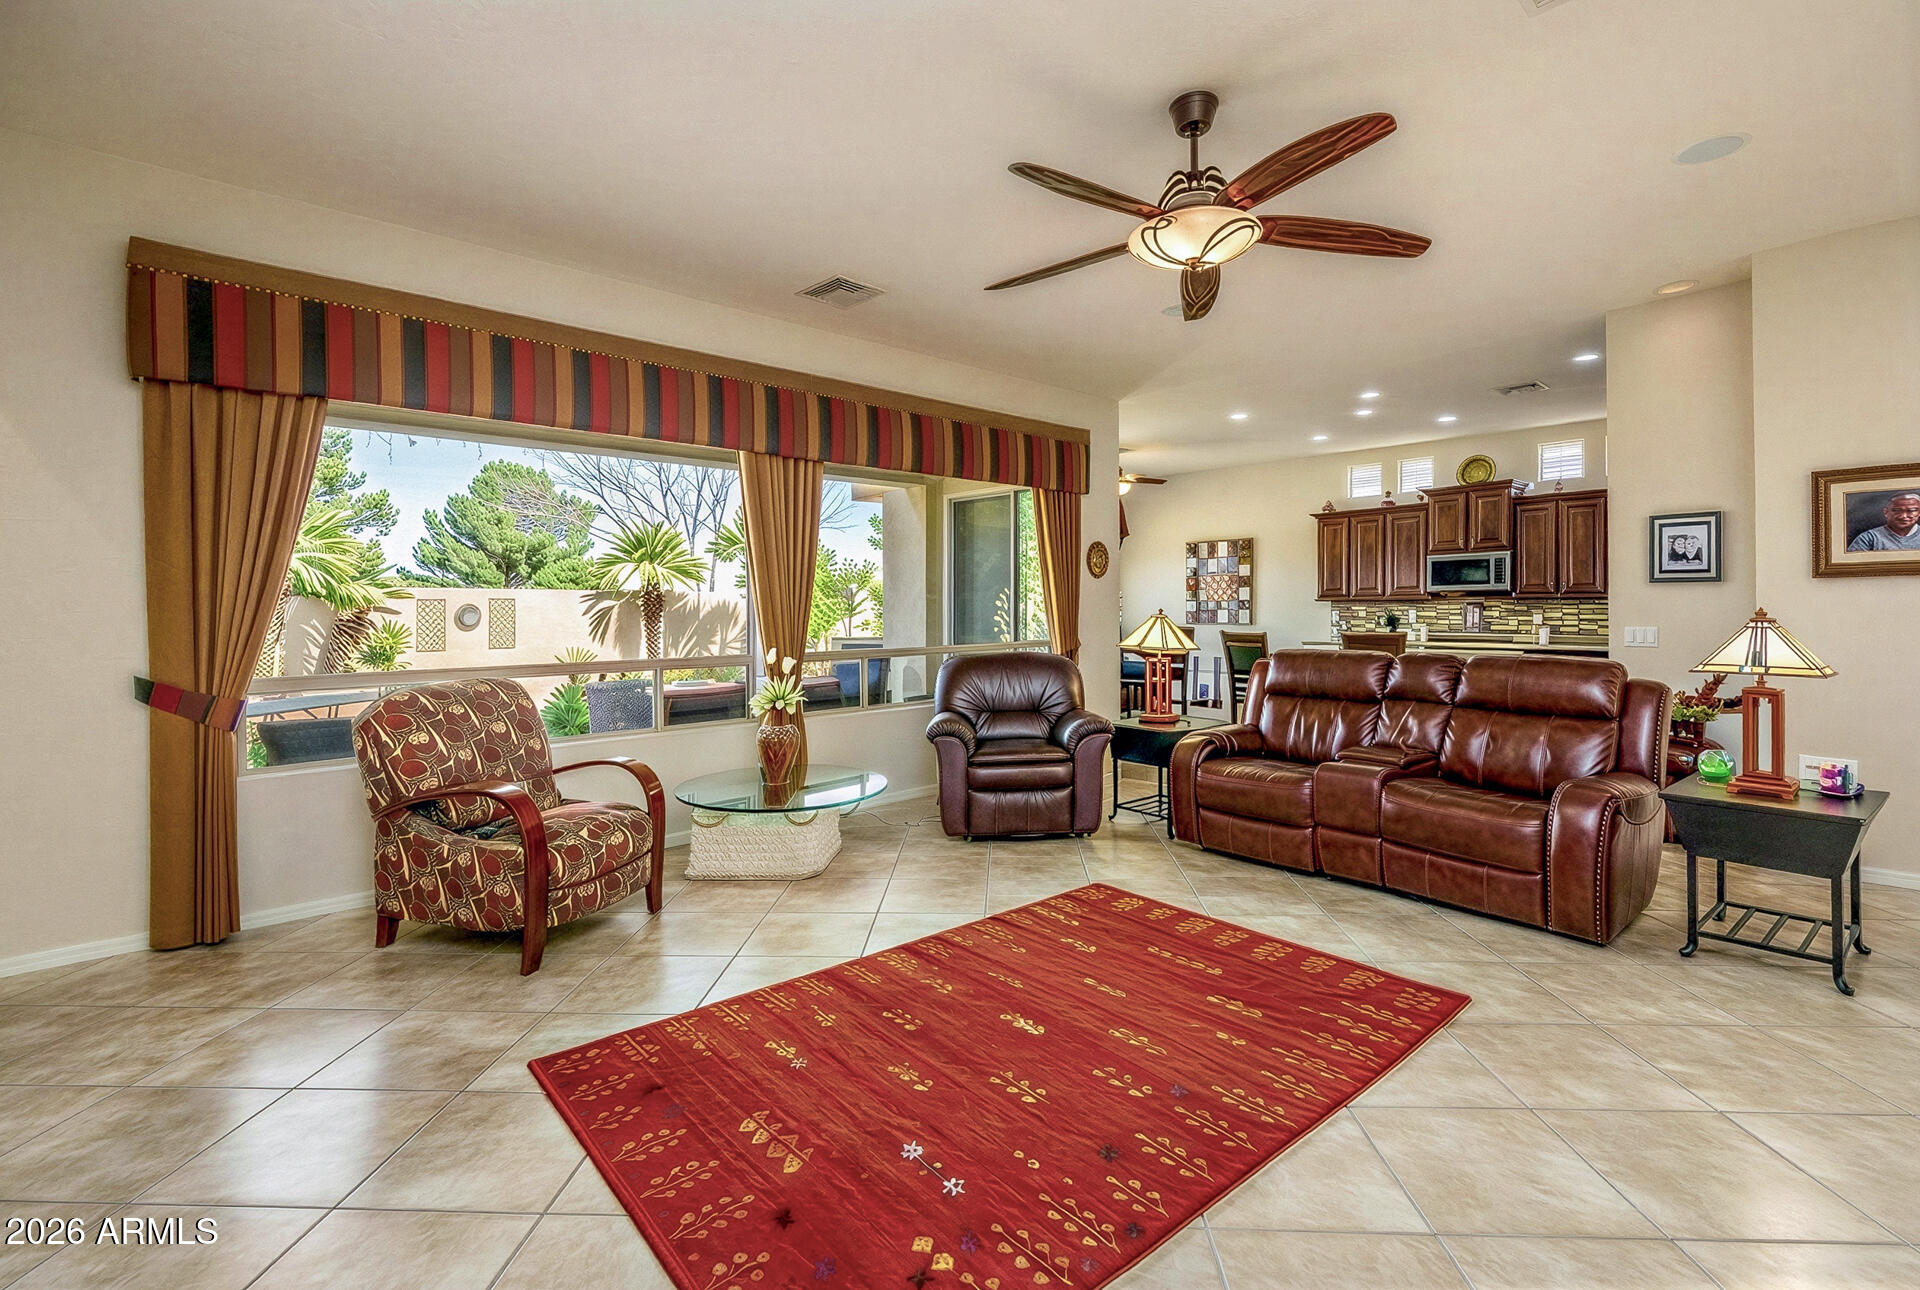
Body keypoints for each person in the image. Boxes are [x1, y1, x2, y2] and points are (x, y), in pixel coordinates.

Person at [1848, 492, 1920, 551]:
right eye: (1897, 510)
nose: (1904, 516)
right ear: (1886, 512)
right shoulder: (1869, 538)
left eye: (1911, 511)